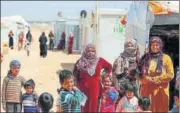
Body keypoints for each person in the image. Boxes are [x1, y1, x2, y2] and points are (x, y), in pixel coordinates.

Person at [137, 36, 174, 112]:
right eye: (152, 45)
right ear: (150, 46)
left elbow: (170, 75)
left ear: (160, 46)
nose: (154, 47)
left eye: (157, 45)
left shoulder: (166, 58)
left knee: (160, 109)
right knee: (147, 109)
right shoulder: (144, 58)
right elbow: (138, 73)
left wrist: (155, 79)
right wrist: (146, 79)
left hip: (160, 91)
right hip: (147, 90)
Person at [73, 44, 112, 112]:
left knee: (94, 107)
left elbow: (109, 67)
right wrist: (78, 85)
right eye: (88, 51)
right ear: (85, 52)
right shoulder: (80, 61)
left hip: (95, 89)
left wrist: (103, 76)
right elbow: (75, 74)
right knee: (83, 107)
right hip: (83, 89)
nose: (90, 52)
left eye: (92, 51)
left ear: (95, 52)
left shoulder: (99, 60)